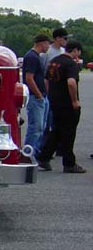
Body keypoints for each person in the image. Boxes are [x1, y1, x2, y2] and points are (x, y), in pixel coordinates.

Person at [36, 39, 86, 173]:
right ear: (75, 50)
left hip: (55, 101)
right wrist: (74, 100)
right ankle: (69, 163)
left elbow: (46, 80)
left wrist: (51, 94)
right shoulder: (71, 64)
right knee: (69, 132)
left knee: (57, 130)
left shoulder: (54, 61)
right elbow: (71, 82)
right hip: (67, 103)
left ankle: (44, 157)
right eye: (78, 52)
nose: (78, 54)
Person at [38, 27, 70, 155]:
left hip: (61, 92)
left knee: (58, 121)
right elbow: (42, 73)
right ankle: (43, 147)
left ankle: (58, 147)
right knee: (46, 122)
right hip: (49, 90)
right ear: (57, 38)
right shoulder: (47, 53)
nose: (66, 41)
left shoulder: (63, 51)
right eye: (64, 38)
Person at [22, 34, 51, 152]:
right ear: (42, 43)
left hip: (41, 96)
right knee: (36, 128)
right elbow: (29, 78)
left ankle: (35, 152)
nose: (48, 46)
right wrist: (39, 95)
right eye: (47, 43)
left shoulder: (37, 56)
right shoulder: (32, 57)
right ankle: (28, 153)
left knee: (41, 127)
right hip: (35, 97)